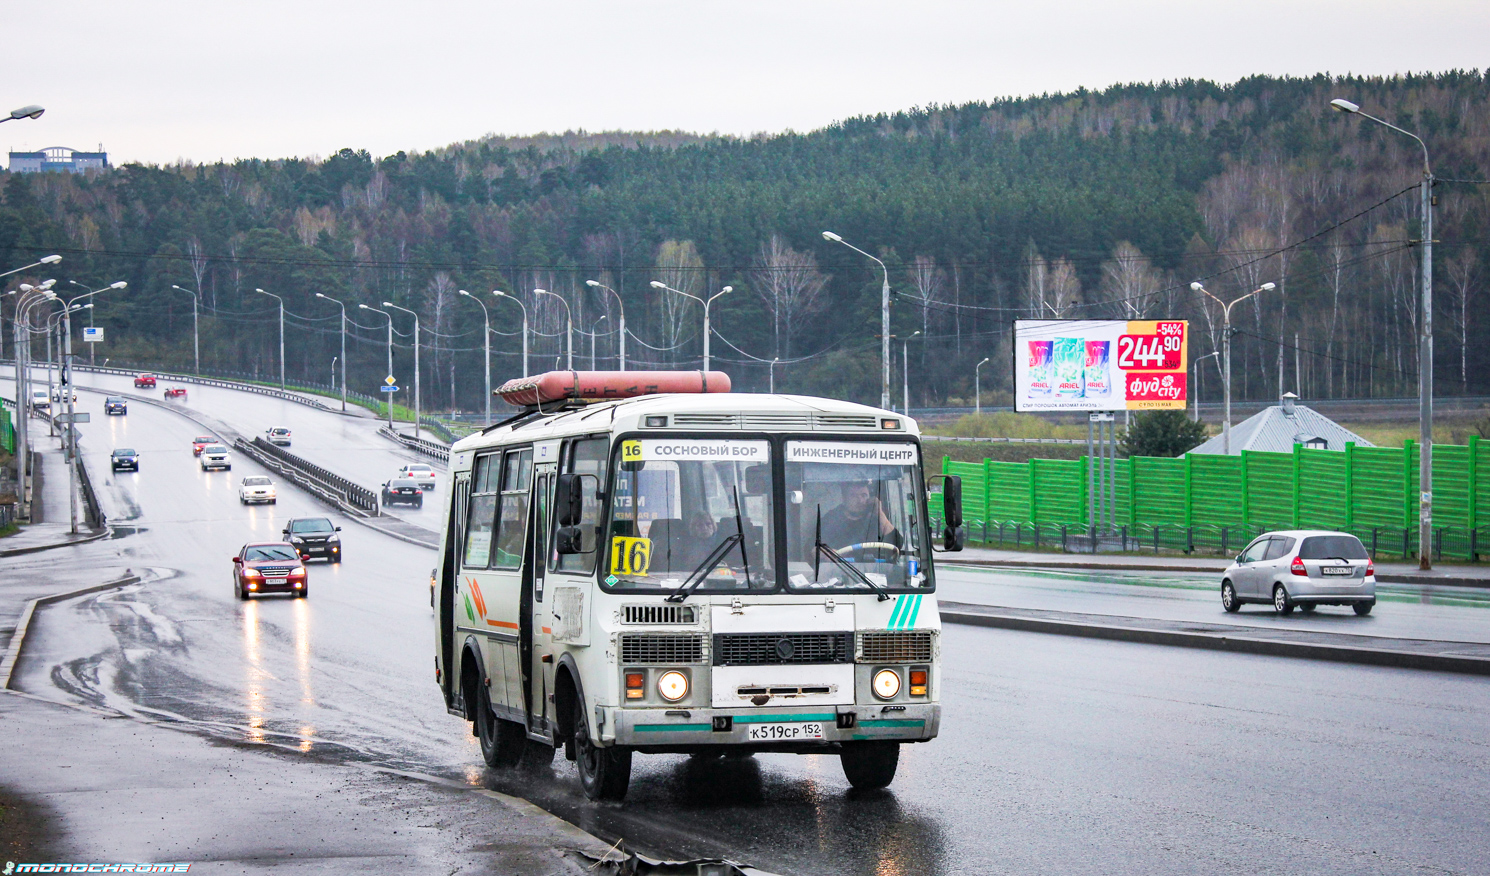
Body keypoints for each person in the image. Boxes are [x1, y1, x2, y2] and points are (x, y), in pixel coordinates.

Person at [819, 481, 900, 550]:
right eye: (853, 496)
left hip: (873, 567)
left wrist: (879, 512)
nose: (860, 500)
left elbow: (897, 544)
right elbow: (813, 547)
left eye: (863, 495)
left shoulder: (877, 519)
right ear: (844, 498)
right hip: (840, 566)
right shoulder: (832, 518)